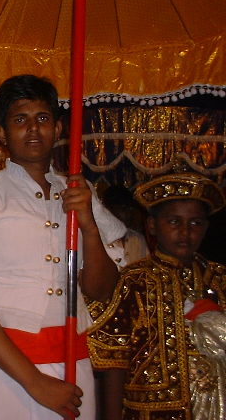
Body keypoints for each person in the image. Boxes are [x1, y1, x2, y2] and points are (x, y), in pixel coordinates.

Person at [0, 74, 126, 419]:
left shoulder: (81, 194)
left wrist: (89, 227)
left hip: (71, 367)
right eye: (20, 120)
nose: (33, 129)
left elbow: (100, 289)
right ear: (2, 133)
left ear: (59, 129)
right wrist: (34, 381)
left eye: (42, 118)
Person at [87, 172, 226, 420]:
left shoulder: (219, 277)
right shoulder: (135, 281)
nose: (185, 232)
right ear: (152, 225)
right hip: (151, 412)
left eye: (195, 223)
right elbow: (114, 359)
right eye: (174, 222)